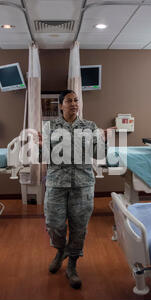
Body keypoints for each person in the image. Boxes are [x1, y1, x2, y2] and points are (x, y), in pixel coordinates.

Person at [40, 89, 109, 289]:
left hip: (83, 184)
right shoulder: (50, 127)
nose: (73, 103)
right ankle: (61, 250)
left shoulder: (90, 126)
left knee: (79, 228)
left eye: (76, 100)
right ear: (61, 105)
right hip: (56, 183)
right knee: (54, 224)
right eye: (69, 100)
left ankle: (72, 264)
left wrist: (103, 139)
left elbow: (98, 154)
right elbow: (48, 155)